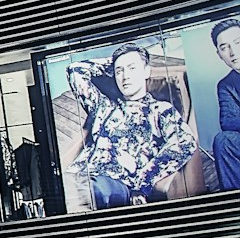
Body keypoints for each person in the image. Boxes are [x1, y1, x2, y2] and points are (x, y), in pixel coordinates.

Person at [67, 44, 199, 208]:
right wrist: (113, 63)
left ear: (146, 71)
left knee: (91, 193)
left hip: (111, 185)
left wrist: (144, 182)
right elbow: (75, 70)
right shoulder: (103, 106)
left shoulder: (160, 110)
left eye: (132, 68)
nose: (125, 76)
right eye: (119, 71)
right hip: (77, 177)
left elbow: (185, 142)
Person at [211, 18, 240, 192]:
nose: (233, 51)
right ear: (219, 54)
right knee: (223, 141)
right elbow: (228, 122)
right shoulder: (225, 84)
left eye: (238, 42)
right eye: (224, 47)